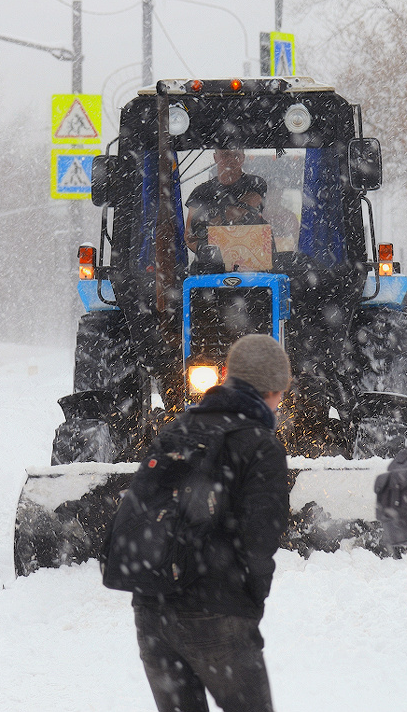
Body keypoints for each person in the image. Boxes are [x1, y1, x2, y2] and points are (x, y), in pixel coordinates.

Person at [132, 334, 291, 712]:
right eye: (281, 393)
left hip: (152, 612)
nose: (281, 402)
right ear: (269, 389)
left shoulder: (178, 428)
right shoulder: (260, 444)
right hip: (217, 613)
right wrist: (248, 605)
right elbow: (259, 539)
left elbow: (143, 510)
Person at [184, 148, 267, 254]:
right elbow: (190, 237)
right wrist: (211, 256)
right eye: (225, 155)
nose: (231, 159)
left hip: (252, 257)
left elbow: (244, 206)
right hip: (210, 265)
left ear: (243, 158)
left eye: (236, 155)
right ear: (215, 157)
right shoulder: (200, 192)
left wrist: (212, 226)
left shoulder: (255, 184)